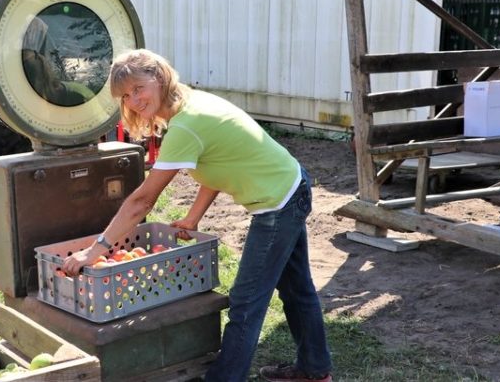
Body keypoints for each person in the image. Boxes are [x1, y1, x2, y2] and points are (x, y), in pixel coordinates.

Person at [61, 48, 332, 382]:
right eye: (125, 95)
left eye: (138, 88)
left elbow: (142, 201)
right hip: (291, 186)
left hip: (278, 204)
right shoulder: (190, 102)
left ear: (158, 77)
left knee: (247, 303)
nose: (133, 100)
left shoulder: (186, 126)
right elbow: (217, 163)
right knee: (297, 289)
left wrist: (97, 248)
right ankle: (315, 370)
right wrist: (193, 216)